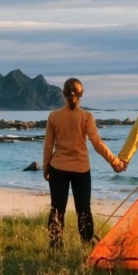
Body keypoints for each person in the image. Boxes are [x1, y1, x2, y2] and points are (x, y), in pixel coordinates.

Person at [43, 77, 124, 248]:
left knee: (57, 210)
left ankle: (55, 247)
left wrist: (45, 167)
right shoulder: (86, 116)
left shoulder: (54, 116)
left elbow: (48, 146)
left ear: (63, 94)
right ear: (81, 95)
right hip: (81, 170)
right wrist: (114, 161)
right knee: (84, 211)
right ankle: (87, 247)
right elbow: (97, 143)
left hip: (58, 168)